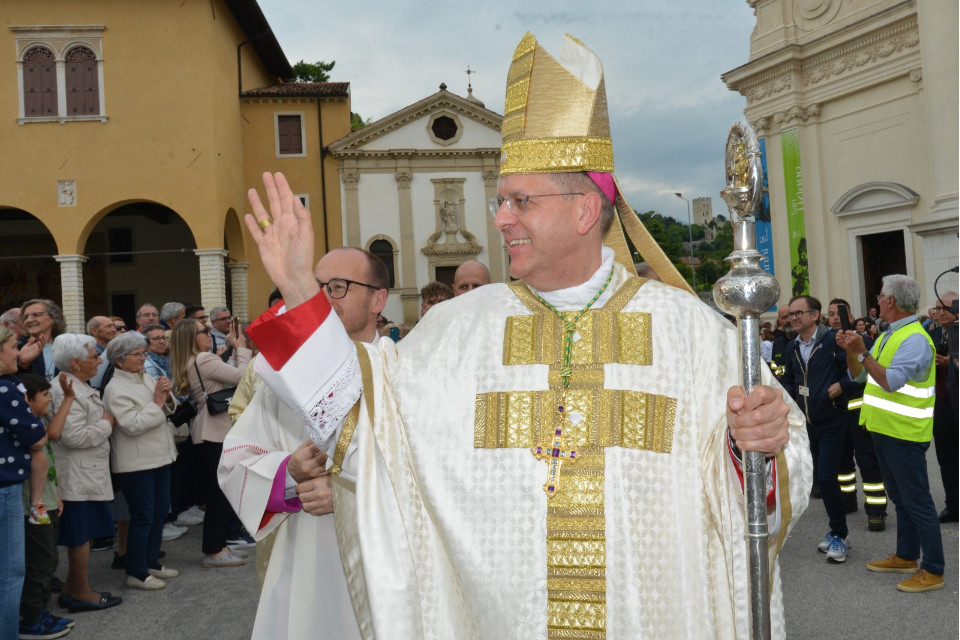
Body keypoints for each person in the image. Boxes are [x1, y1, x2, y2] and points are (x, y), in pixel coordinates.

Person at [233, 33, 811, 639]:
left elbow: (776, 472)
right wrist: (299, 290)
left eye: (520, 201)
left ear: (585, 209)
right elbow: (367, 425)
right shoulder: (455, 333)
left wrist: (753, 450)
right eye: (500, 201)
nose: (501, 218)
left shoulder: (691, 335)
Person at [221, 247, 388, 639]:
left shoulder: (404, 372)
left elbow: (438, 476)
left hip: (387, 568)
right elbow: (235, 462)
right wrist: (287, 473)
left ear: (378, 299)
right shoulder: (281, 380)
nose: (323, 299)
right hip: (304, 563)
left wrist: (351, 495)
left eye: (338, 287)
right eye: (317, 288)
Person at [836, 275, 943, 593]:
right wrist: (851, 350)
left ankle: (933, 569)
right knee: (901, 499)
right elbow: (860, 376)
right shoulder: (889, 334)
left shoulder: (914, 338)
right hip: (884, 430)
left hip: (904, 434)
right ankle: (907, 556)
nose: (878, 300)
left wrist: (862, 352)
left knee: (917, 502)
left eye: (881, 296)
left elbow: (890, 381)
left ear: (892, 301)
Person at [48, 334, 122, 613]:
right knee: (81, 535)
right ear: (76, 363)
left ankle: (71, 588)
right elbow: (72, 437)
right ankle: (81, 593)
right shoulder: (64, 390)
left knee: (85, 534)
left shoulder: (76, 385)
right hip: (77, 474)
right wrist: (106, 425)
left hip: (85, 472)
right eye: (94, 356)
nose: (100, 361)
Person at [170, 318, 250, 567]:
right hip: (214, 430)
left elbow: (229, 376)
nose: (209, 334)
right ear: (192, 338)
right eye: (203, 331)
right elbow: (243, 377)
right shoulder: (204, 359)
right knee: (219, 492)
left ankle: (220, 545)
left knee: (220, 491)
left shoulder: (197, 360)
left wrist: (235, 351)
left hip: (210, 429)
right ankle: (214, 550)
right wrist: (242, 348)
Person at [102, 333, 179, 591]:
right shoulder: (115, 388)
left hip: (159, 457)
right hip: (136, 463)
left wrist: (167, 396)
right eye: (136, 355)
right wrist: (158, 403)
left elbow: (165, 408)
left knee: (159, 512)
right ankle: (136, 571)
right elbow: (132, 425)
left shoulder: (144, 377)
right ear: (119, 361)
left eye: (143, 353)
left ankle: (151, 562)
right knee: (143, 516)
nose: (143, 358)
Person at [781, 295, 850, 562]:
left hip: (832, 419)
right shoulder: (792, 346)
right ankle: (835, 531)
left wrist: (842, 385)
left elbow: (857, 370)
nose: (794, 318)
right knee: (819, 478)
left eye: (799, 313)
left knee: (828, 477)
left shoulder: (832, 340)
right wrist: (792, 403)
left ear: (815, 315)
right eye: (791, 314)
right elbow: (790, 378)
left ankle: (840, 534)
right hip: (807, 423)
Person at [0, 326, 50, 640]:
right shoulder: (5, 391)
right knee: (10, 570)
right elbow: (37, 438)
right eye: (11, 347)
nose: (17, 352)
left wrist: (19, 368)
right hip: (5, 489)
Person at [19, 373, 76, 639]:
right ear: (27, 400)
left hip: (48, 501)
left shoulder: (37, 420)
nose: (48, 400)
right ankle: (30, 618)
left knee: (50, 557)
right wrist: (69, 398)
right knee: (39, 561)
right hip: (36, 506)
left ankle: (40, 612)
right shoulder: (26, 428)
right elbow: (52, 435)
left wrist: (58, 494)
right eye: (44, 396)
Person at [826, 299, 886, 532]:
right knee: (842, 462)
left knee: (867, 461)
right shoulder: (826, 343)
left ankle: (876, 511)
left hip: (859, 410)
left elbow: (869, 374)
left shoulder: (864, 342)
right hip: (835, 412)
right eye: (830, 314)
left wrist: (843, 384)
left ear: (850, 317)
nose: (834, 318)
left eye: (839, 313)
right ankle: (848, 500)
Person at [928, 292, 958, 522]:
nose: (940, 313)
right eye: (937, 308)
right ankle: (953, 505)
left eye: (945, 308)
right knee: (946, 457)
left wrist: (952, 363)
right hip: (940, 401)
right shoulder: (932, 334)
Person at [18, 300, 67, 380]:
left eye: (36, 315)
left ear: (53, 318)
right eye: (26, 317)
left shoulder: (66, 347)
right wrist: (22, 364)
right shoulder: (16, 347)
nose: (29, 320)